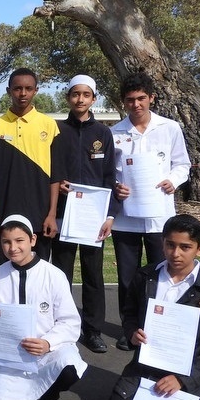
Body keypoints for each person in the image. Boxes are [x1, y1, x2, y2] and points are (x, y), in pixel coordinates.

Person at [101, 214, 200, 400]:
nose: (176, 253)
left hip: (185, 375)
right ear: (162, 243)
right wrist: (132, 332)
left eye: (185, 247)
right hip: (144, 366)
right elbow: (130, 313)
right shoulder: (145, 277)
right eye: (170, 245)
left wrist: (184, 380)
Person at [0, 214, 87, 400]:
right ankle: (29, 393)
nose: (13, 248)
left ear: (32, 240)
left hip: (47, 352)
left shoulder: (53, 275)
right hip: (12, 358)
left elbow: (70, 322)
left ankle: (45, 399)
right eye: (6, 242)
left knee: (71, 367)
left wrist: (47, 343)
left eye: (19, 241)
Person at [110, 72, 191, 351]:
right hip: (126, 220)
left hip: (160, 219)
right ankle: (129, 330)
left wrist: (173, 180)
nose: (136, 105)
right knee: (128, 278)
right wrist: (116, 186)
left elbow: (183, 164)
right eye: (130, 100)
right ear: (124, 102)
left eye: (141, 98)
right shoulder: (114, 133)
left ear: (151, 98)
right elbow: (110, 173)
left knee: (162, 275)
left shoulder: (169, 128)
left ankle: (159, 329)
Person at [51, 75, 120, 354]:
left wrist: (110, 215)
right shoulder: (57, 130)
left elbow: (109, 177)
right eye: (75, 94)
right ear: (68, 97)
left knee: (93, 274)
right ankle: (63, 327)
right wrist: (59, 185)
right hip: (62, 215)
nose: (80, 99)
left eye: (86, 94)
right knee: (61, 274)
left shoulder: (103, 134)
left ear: (94, 98)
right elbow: (50, 170)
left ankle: (92, 330)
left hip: (93, 217)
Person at [0, 67, 60, 267]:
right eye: (17, 89)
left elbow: (55, 177)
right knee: (2, 276)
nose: (23, 93)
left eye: (28, 88)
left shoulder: (49, 125)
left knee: (38, 276)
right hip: (2, 219)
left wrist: (51, 215)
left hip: (39, 218)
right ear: (9, 91)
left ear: (36, 90)